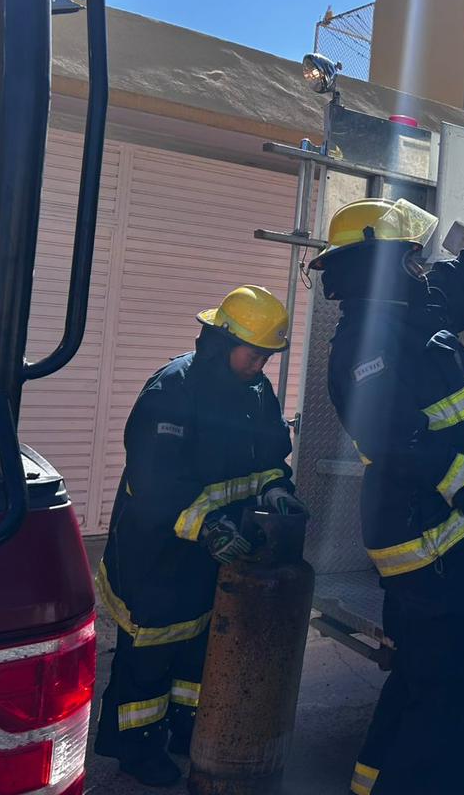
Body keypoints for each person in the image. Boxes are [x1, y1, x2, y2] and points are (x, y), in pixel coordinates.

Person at [312, 197, 464, 795]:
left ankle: (371, 784)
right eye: (410, 255)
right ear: (384, 261)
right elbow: (392, 437)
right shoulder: (362, 347)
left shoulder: (410, 307)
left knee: (419, 682)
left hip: (447, 537)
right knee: (455, 697)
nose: (421, 264)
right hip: (431, 543)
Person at [93, 285, 303, 787]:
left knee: (198, 644)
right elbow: (154, 480)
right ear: (220, 340)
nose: (261, 366)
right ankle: (135, 748)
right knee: (151, 650)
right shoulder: (172, 390)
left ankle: (187, 728)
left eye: (268, 358)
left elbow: (271, 454)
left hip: (213, 549)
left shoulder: (255, 391)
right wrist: (207, 526)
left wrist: (276, 490)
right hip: (158, 550)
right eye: (254, 354)